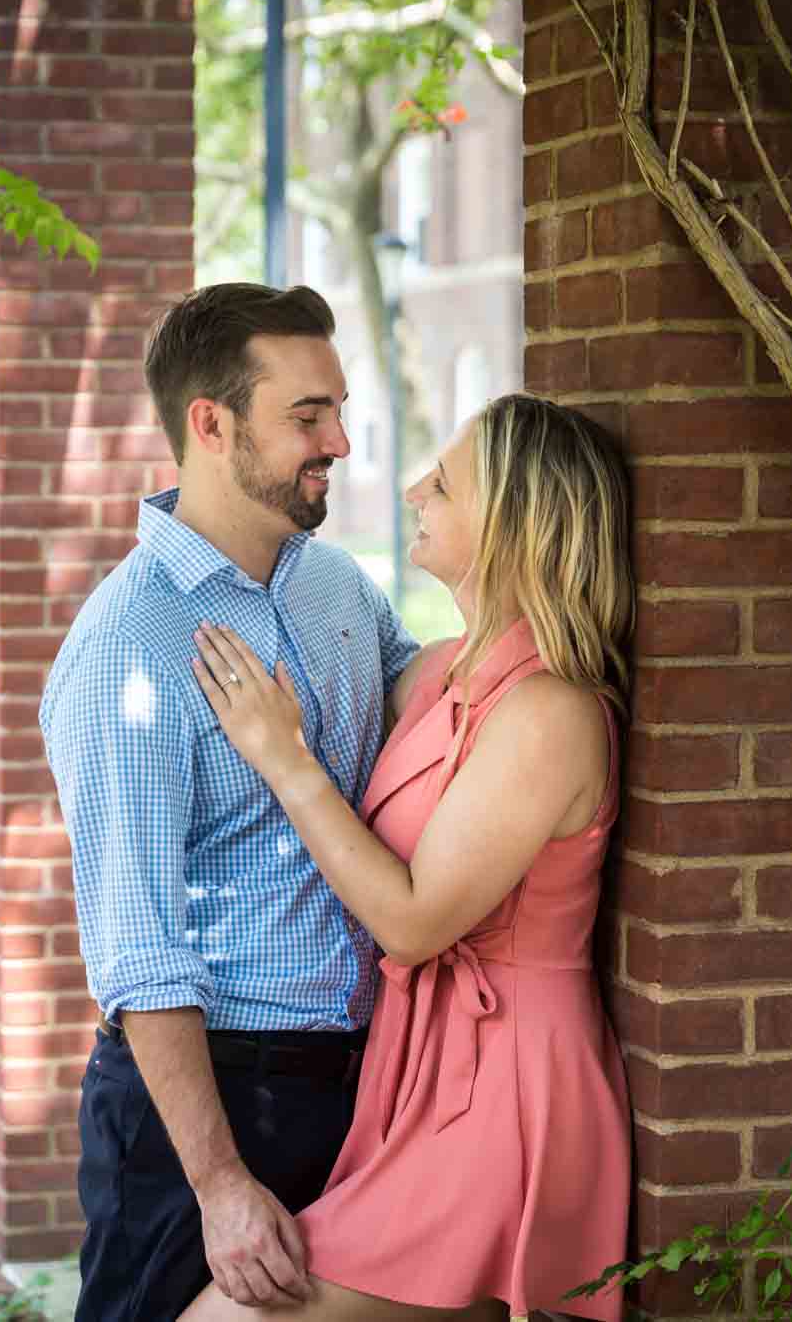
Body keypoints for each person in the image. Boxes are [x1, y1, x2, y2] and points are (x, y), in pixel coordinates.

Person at [180, 393, 636, 1322]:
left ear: (511, 524)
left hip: (505, 1091)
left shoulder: (551, 712)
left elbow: (415, 917)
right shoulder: (440, 672)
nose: (415, 487)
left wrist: (283, 756)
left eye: (447, 479)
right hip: (419, 1069)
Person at [39, 282, 421, 1321]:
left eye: (337, 410)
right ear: (210, 424)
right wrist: (216, 1183)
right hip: (206, 1098)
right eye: (307, 416)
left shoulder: (336, 585)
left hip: (361, 1079)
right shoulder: (130, 645)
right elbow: (138, 946)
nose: (338, 440)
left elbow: (436, 707)